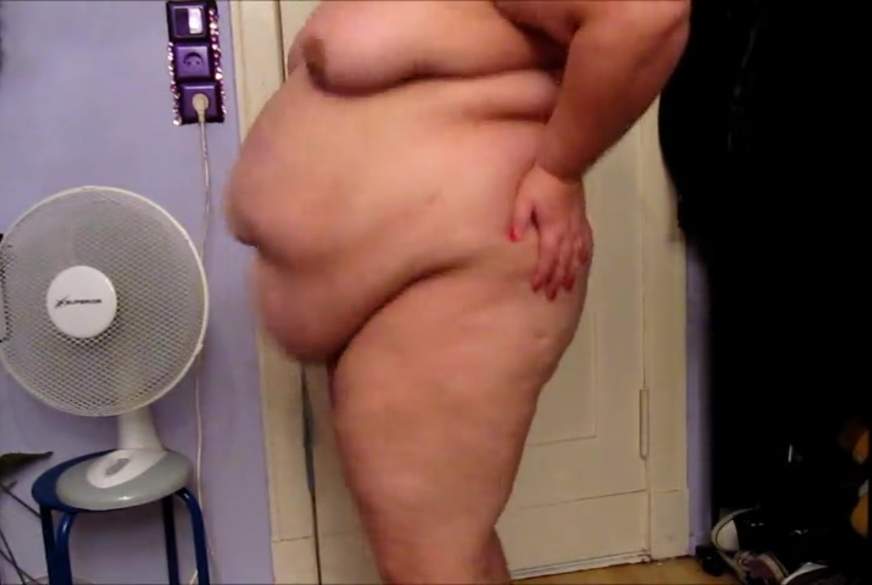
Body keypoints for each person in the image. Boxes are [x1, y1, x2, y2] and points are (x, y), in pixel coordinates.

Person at [227, 2, 689, 582]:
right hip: (399, 285)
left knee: (430, 561)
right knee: (444, 552)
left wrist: (558, 171)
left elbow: (646, 14)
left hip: (454, 279)